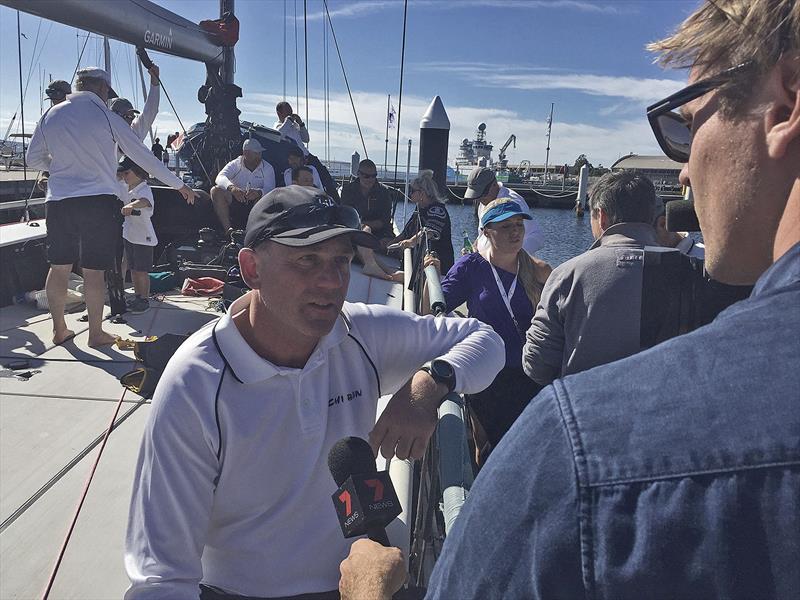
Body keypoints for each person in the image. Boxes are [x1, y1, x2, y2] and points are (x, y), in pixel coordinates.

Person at [339, 0, 800, 597]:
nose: (682, 173)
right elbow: (444, 299)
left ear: (785, 103)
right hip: (495, 389)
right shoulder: (500, 274)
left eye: (684, 125)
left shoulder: (572, 451)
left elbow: (535, 361)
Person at [124, 185, 505, 598]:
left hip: (360, 582)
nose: (331, 282)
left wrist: (428, 385)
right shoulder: (194, 385)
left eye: (341, 261)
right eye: (307, 260)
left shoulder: (359, 333)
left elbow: (487, 341)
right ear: (252, 269)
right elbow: (160, 579)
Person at [26, 66, 194, 347]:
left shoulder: (50, 115)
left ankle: (59, 329)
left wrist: (60, 169)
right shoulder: (106, 116)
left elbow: (33, 160)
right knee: (94, 272)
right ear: (103, 89)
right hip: (97, 202)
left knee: (59, 268)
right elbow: (140, 154)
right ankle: (95, 333)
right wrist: (179, 184)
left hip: (58, 201)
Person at [425, 199, 552, 454]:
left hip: (530, 374)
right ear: (486, 231)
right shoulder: (471, 268)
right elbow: (432, 310)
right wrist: (432, 276)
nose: (515, 232)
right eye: (505, 227)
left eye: (519, 225)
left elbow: (560, 320)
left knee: (528, 448)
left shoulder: (540, 271)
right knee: (487, 449)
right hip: (486, 372)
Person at [522, 170, 661, 385]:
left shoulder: (568, 275)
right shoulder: (694, 271)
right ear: (651, 214)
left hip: (585, 408)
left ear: (602, 216)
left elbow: (536, 363)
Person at [464, 166, 544, 256]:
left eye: (483, 194)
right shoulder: (484, 202)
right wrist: (475, 248)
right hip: (484, 263)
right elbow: (482, 235)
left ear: (494, 184)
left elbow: (537, 237)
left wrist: (511, 258)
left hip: (508, 267)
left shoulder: (514, 202)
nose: (479, 199)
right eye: (476, 196)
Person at [390, 169, 455, 277]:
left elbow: (428, 231)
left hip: (437, 268)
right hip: (420, 264)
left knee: (392, 276)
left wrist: (411, 242)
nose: (410, 193)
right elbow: (407, 231)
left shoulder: (437, 211)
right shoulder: (420, 208)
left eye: (412, 190)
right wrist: (390, 244)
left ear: (422, 193)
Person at [211, 138, 276, 233]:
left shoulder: (268, 167)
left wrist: (258, 192)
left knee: (263, 198)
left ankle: (253, 231)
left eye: (260, 153)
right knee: (215, 191)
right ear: (246, 154)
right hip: (235, 201)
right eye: (256, 153)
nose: (259, 156)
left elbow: (271, 188)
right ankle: (228, 231)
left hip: (255, 204)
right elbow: (220, 177)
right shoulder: (235, 164)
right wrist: (232, 189)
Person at [118, 156, 156, 314]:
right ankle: (137, 295)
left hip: (143, 237)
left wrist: (131, 205)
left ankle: (144, 299)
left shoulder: (144, 189)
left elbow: (145, 201)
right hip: (130, 234)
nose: (123, 177)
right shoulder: (126, 187)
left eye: (126, 173)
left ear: (138, 173)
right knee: (133, 269)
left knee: (141, 271)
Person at [341, 159, 395, 245]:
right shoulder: (348, 190)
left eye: (374, 176)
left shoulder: (384, 192)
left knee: (389, 246)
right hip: (354, 231)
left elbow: (385, 220)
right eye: (366, 176)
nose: (370, 179)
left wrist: (364, 226)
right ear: (358, 174)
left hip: (380, 233)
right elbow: (345, 216)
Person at [109, 63, 161, 143]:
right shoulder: (104, 133)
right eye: (129, 117)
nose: (132, 120)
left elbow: (151, 110)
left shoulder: (134, 131)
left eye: (133, 117)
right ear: (116, 116)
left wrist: (155, 81)